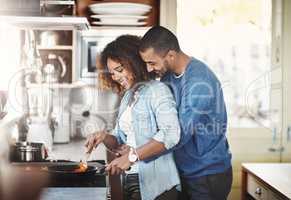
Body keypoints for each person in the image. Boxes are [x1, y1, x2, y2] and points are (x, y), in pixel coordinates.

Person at [139, 26, 233, 200]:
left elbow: (178, 134)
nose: (149, 69)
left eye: (152, 62)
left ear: (171, 55)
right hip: (187, 170)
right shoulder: (168, 76)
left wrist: (136, 154)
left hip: (207, 174)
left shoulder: (199, 81)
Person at [85, 35, 181, 200]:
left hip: (157, 186)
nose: (115, 77)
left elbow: (171, 134)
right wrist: (104, 137)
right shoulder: (129, 95)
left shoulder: (158, 90)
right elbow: (120, 141)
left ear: (134, 62)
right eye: (112, 73)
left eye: (119, 70)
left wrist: (132, 157)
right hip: (131, 180)